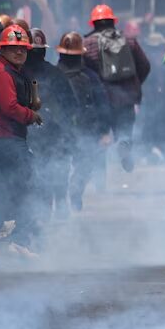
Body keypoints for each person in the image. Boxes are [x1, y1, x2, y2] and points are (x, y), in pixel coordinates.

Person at [0, 25, 43, 254]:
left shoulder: (13, 72)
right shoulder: (1, 73)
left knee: (4, 194)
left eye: (22, 49)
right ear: (2, 50)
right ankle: (21, 237)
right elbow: (9, 107)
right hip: (5, 142)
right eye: (13, 48)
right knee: (32, 186)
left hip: (2, 141)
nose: (19, 52)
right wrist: (32, 115)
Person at [82, 4, 151, 173]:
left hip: (101, 99)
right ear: (113, 21)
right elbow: (145, 66)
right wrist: (133, 84)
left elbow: (83, 73)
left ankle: (100, 180)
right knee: (125, 131)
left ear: (93, 23)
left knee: (100, 138)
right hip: (126, 97)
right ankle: (124, 145)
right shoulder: (128, 41)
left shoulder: (87, 44)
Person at [23, 28, 79, 219]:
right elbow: (71, 105)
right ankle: (61, 210)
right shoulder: (56, 73)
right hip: (55, 135)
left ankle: (42, 217)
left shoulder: (16, 74)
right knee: (58, 172)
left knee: (37, 177)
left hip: (29, 136)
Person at [56, 32, 112, 211]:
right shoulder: (90, 76)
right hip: (86, 128)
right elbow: (102, 104)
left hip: (62, 129)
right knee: (85, 163)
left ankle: (61, 201)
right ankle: (75, 191)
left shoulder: (52, 74)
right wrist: (104, 130)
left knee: (60, 165)